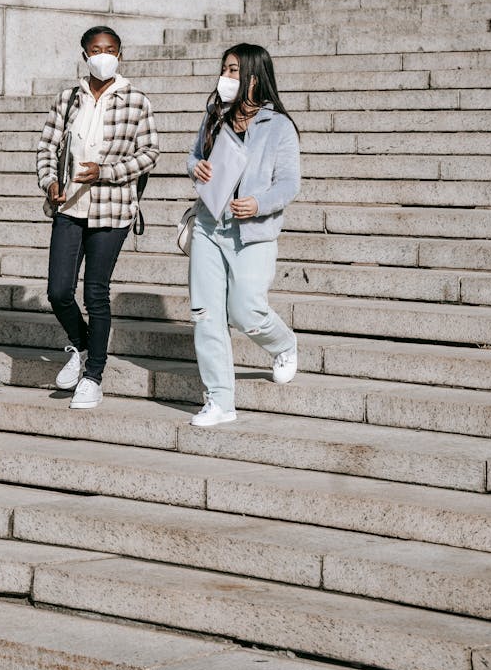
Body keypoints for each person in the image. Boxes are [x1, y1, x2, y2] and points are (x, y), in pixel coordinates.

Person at [36, 25, 159, 410]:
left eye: (109, 49)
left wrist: (106, 171)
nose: (102, 55)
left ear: (119, 55)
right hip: (70, 206)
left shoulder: (135, 99)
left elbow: (150, 153)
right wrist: (49, 182)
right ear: (84, 54)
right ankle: (81, 345)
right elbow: (46, 146)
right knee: (58, 291)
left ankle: (93, 375)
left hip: (112, 208)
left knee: (95, 293)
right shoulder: (69, 99)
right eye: (95, 49)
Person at [186, 43, 301, 427]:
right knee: (206, 314)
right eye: (224, 69)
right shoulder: (215, 115)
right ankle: (219, 401)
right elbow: (193, 156)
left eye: (233, 70)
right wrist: (196, 168)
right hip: (208, 225)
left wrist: (258, 203)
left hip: (252, 232)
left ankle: (283, 344)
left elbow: (289, 184)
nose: (226, 77)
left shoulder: (279, 127)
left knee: (246, 309)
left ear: (254, 75)